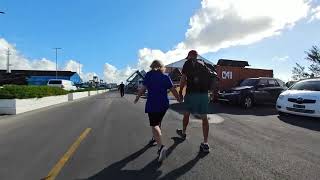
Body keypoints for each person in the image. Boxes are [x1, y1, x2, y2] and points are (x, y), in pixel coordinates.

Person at [134, 60, 181, 162]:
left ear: (152, 66)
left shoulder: (149, 75)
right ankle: (154, 138)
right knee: (158, 121)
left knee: (154, 124)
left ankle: (161, 147)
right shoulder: (165, 76)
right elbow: (173, 89)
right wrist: (178, 98)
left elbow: (143, 88)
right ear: (161, 67)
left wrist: (137, 97)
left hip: (153, 103)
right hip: (164, 104)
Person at [176, 50, 211, 153]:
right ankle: (205, 143)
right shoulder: (203, 64)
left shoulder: (187, 63)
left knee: (186, 113)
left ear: (190, 56)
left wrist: (181, 91)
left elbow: (183, 79)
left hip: (191, 93)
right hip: (204, 94)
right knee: (204, 117)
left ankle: (183, 132)